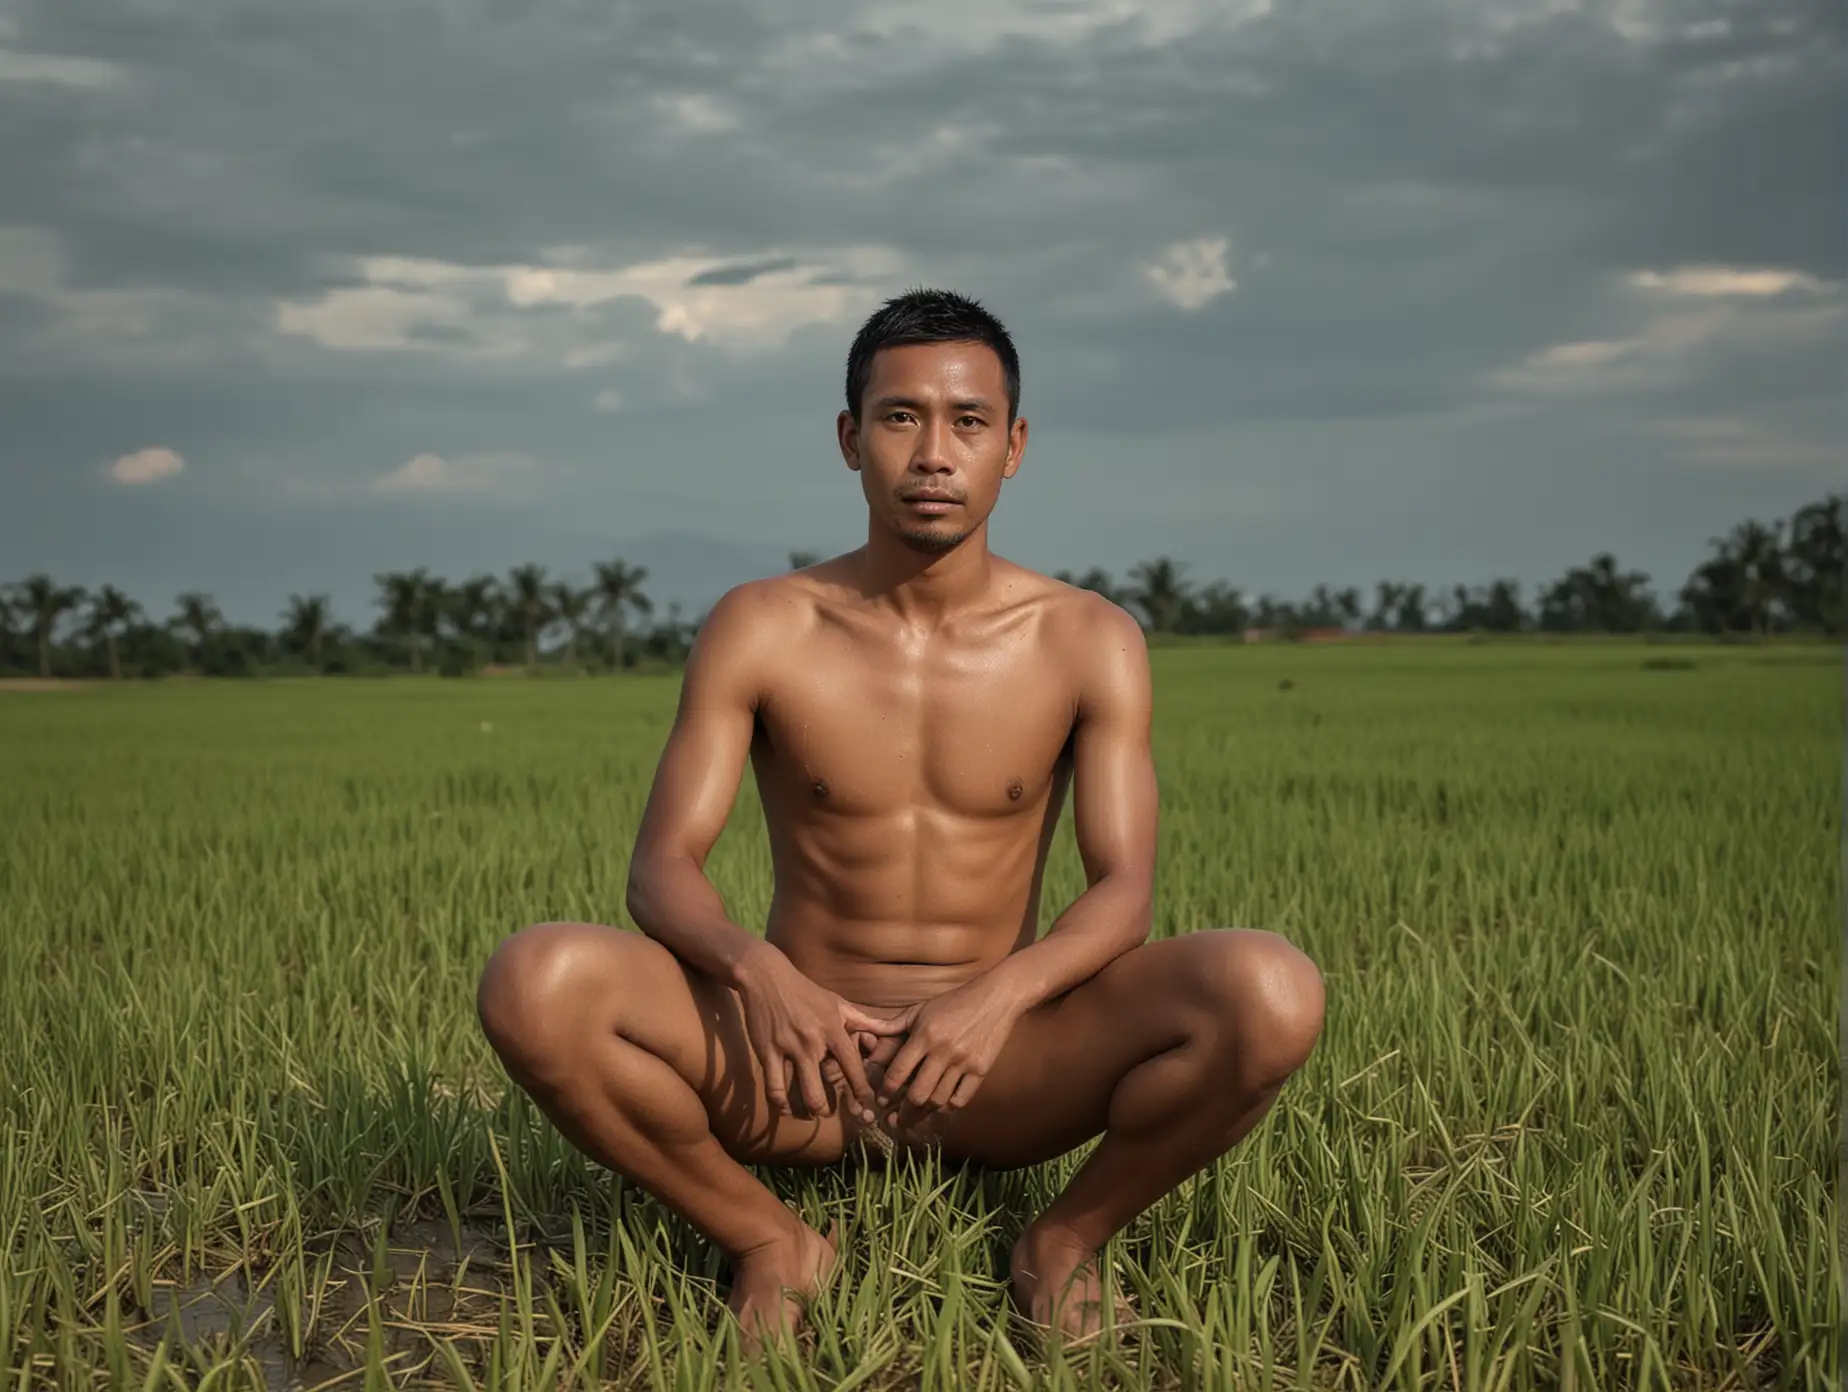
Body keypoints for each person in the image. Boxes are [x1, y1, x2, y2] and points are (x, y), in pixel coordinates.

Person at [476, 288, 1325, 1348]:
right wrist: (761, 973)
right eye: (900, 417)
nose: (934, 453)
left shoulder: (1088, 639)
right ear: (850, 438)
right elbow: (663, 868)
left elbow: (1124, 891)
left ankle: (1060, 1243)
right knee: (534, 980)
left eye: (968, 422)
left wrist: (1000, 998)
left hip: (997, 1071)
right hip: (795, 1067)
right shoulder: (764, 626)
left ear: (1012, 447)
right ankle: (768, 1239)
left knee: (1273, 991)